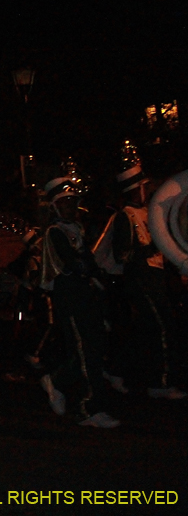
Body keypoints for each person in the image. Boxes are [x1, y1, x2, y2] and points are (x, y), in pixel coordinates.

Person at [38, 174, 120, 428]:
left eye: (74, 202)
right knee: (84, 349)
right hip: (69, 298)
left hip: (85, 296)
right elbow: (73, 263)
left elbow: (90, 264)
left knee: (92, 349)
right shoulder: (54, 232)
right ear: (55, 206)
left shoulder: (77, 231)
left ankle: (56, 380)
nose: (72, 207)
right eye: (65, 203)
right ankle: (88, 409)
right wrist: (89, 269)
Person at [106, 146, 185, 400]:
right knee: (163, 327)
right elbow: (123, 255)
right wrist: (151, 246)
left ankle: (117, 369)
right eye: (143, 187)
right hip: (140, 278)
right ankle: (159, 383)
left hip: (155, 278)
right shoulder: (124, 217)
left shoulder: (148, 213)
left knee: (143, 331)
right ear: (134, 189)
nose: (147, 191)